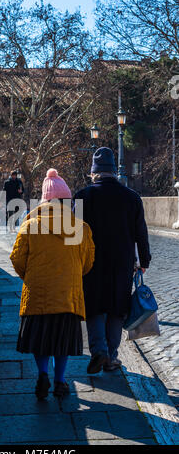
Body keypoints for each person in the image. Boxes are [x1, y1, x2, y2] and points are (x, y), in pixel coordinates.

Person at [10, 169, 95, 399]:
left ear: (44, 201)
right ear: (67, 201)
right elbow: (87, 263)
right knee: (62, 341)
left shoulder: (30, 226)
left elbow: (17, 260)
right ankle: (60, 381)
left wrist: (31, 278)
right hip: (68, 296)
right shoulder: (81, 228)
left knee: (40, 340)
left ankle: (43, 374)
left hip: (37, 295)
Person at [73, 147, 151, 374]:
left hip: (91, 263)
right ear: (114, 171)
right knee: (117, 309)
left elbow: (73, 237)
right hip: (122, 263)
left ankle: (99, 350)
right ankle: (112, 357)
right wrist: (144, 260)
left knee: (95, 307)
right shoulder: (132, 198)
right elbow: (141, 234)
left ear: (93, 173)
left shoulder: (82, 197)